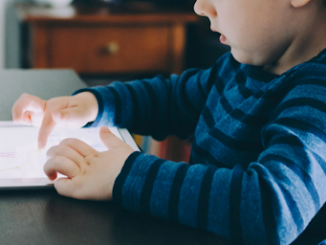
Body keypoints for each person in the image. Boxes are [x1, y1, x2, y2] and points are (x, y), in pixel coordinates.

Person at [11, 0, 326, 243]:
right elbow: (175, 99)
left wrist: (126, 173)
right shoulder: (245, 65)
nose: (200, 6)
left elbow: (272, 208)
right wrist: (94, 104)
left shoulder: (318, 93)